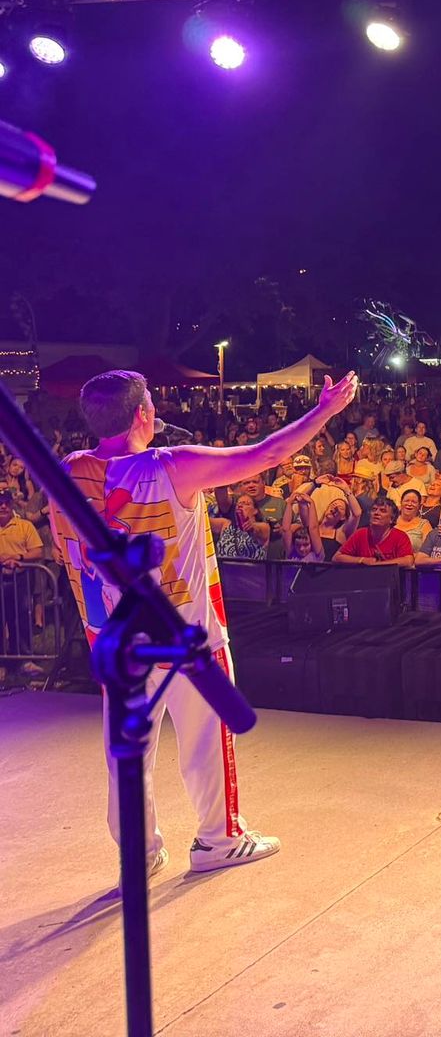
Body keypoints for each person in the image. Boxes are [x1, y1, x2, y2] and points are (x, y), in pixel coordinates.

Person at [54, 368, 358, 876]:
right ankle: (219, 839)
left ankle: (138, 854)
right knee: (205, 739)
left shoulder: (67, 472)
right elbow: (266, 455)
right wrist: (325, 410)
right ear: (143, 415)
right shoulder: (170, 467)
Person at [0, 490, 45, 661]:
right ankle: (2, 663)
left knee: (21, 620)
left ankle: (23, 660)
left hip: (20, 580)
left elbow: (37, 552)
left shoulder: (25, 526)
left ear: (12, 504)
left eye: (6, 502)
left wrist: (18, 557)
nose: (3, 506)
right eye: (0, 503)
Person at [334, 497, 415, 567]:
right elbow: (337, 558)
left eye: (382, 511)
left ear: (392, 519)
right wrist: (361, 560)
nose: (376, 513)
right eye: (374, 509)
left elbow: (408, 561)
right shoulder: (360, 533)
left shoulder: (400, 536)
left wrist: (377, 565)